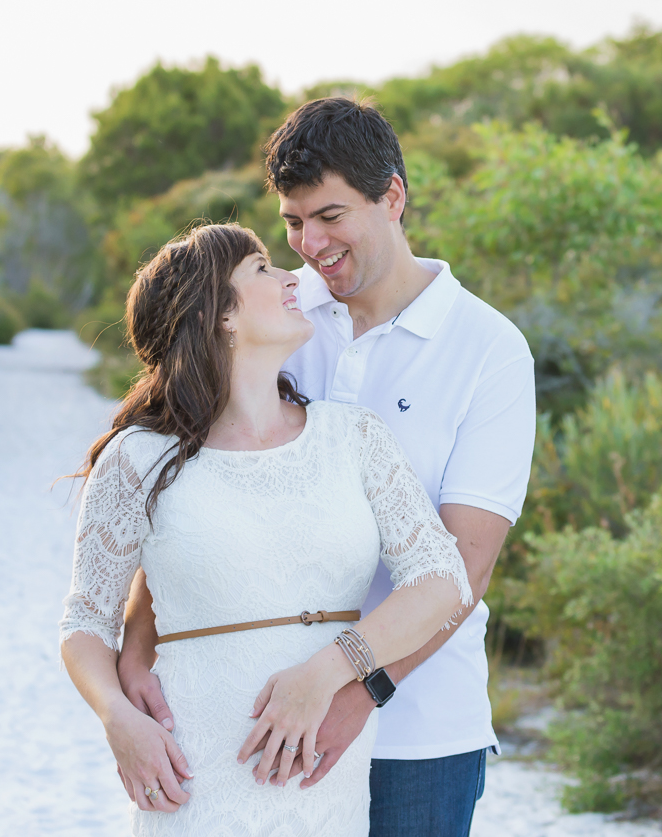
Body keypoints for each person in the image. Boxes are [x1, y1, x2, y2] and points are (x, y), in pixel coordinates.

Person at [118, 99, 537, 836]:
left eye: (331, 216)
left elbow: (462, 572)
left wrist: (352, 693)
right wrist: (136, 664)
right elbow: (185, 485)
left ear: (394, 197)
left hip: (418, 732)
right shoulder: (274, 315)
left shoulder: (489, 352)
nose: (309, 244)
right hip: (257, 717)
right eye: (291, 222)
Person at [59, 222, 473, 836]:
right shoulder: (137, 459)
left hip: (320, 775)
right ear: (219, 316)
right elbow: (85, 621)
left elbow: (443, 581)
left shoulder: (353, 437)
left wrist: (329, 672)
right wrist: (117, 719)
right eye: (261, 268)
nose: (290, 278)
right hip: (190, 777)